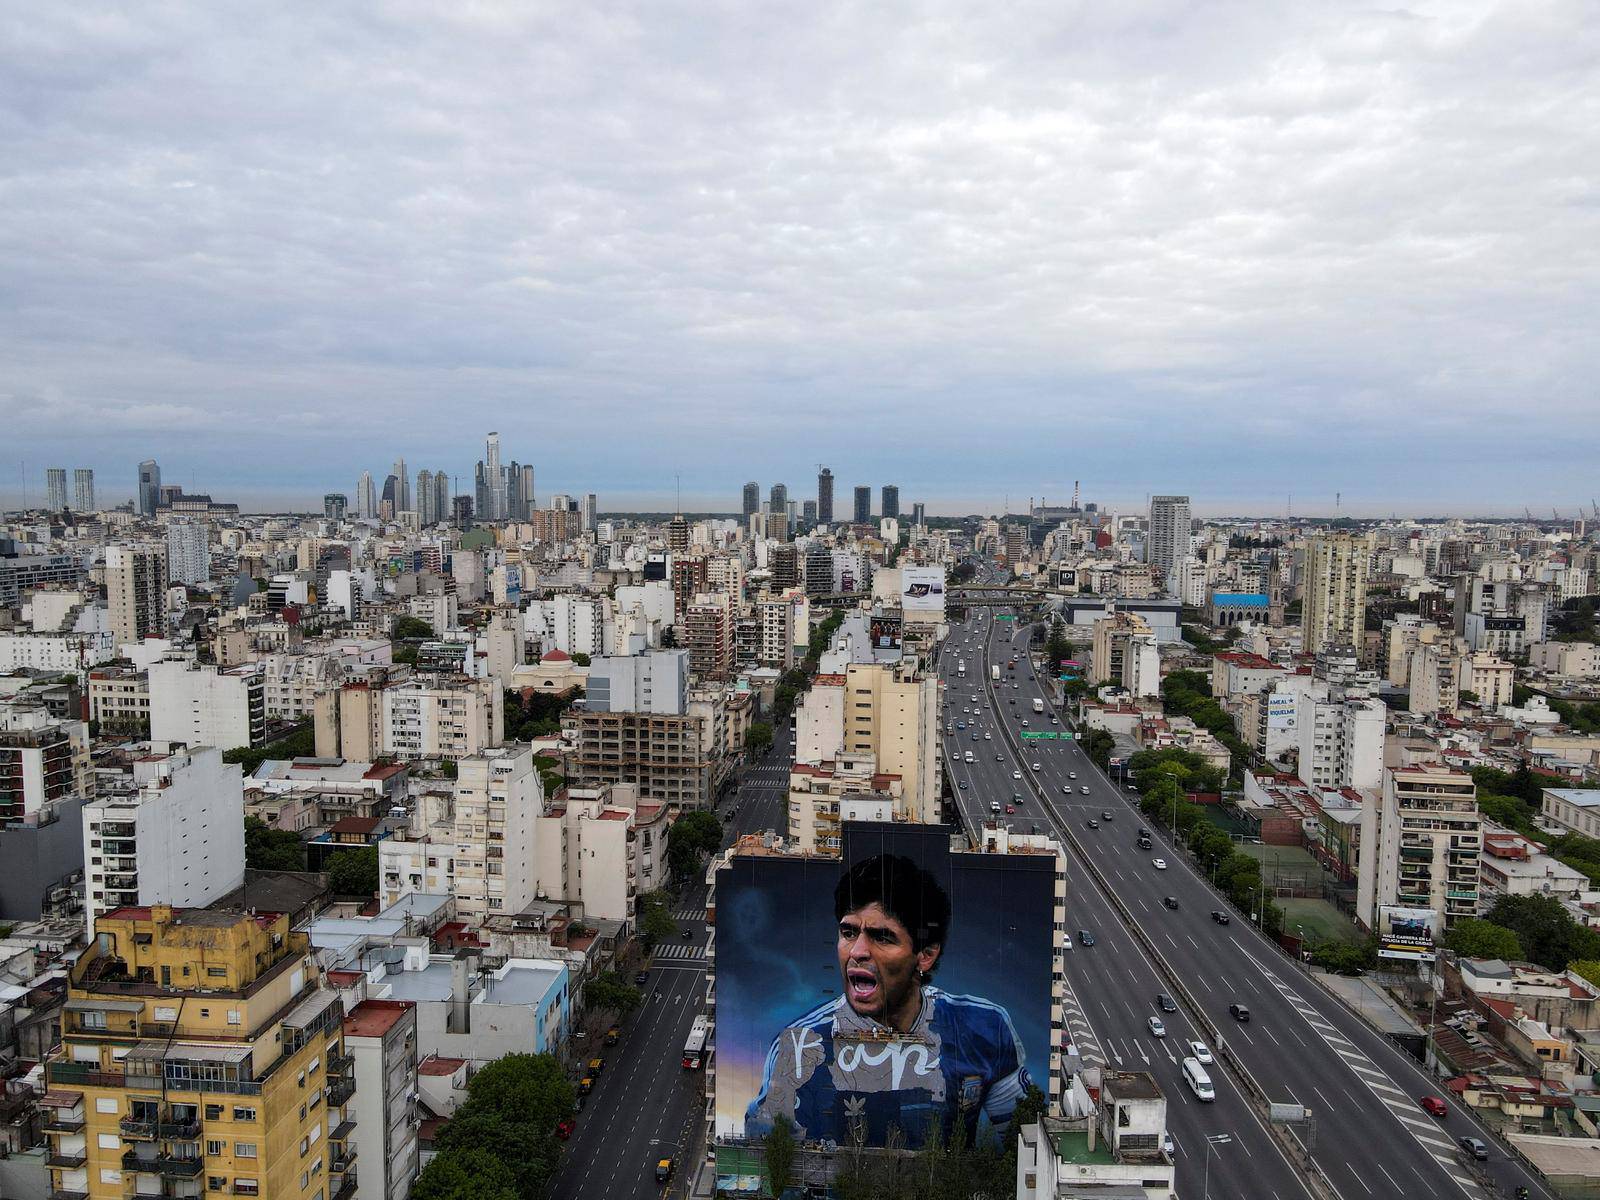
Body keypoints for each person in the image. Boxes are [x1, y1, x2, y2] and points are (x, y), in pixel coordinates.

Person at [744, 853, 1032, 1149]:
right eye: (848, 932)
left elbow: (1024, 1148)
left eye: (882, 937)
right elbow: (763, 1158)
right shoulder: (800, 1044)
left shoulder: (985, 1028)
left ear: (926, 955)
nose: (858, 951)